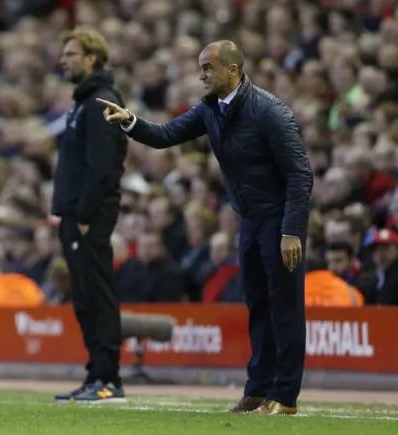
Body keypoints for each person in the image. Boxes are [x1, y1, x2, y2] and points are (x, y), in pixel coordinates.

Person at [98, 40, 314, 415]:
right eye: (201, 68)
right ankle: (258, 390)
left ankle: (286, 396)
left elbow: (300, 174)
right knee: (258, 307)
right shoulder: (211, 109)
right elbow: (166, 135)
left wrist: (291, 230)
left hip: (279, 221)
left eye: (208, 68)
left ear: (233, 70)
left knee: (285, 308)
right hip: (249, 221)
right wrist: (130, 120)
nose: (201, 75)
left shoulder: (270, 112)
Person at [51, 27, 128, 403]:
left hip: (89, 216)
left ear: (91, 59)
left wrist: (83, 214)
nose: (63, 60)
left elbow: (101, 166)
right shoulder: (82, 102)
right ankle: (96, 374)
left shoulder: (101, 102)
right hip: (74, 215)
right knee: (83, 296)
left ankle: (108, 378)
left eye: (70, 54)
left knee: (97, 294)